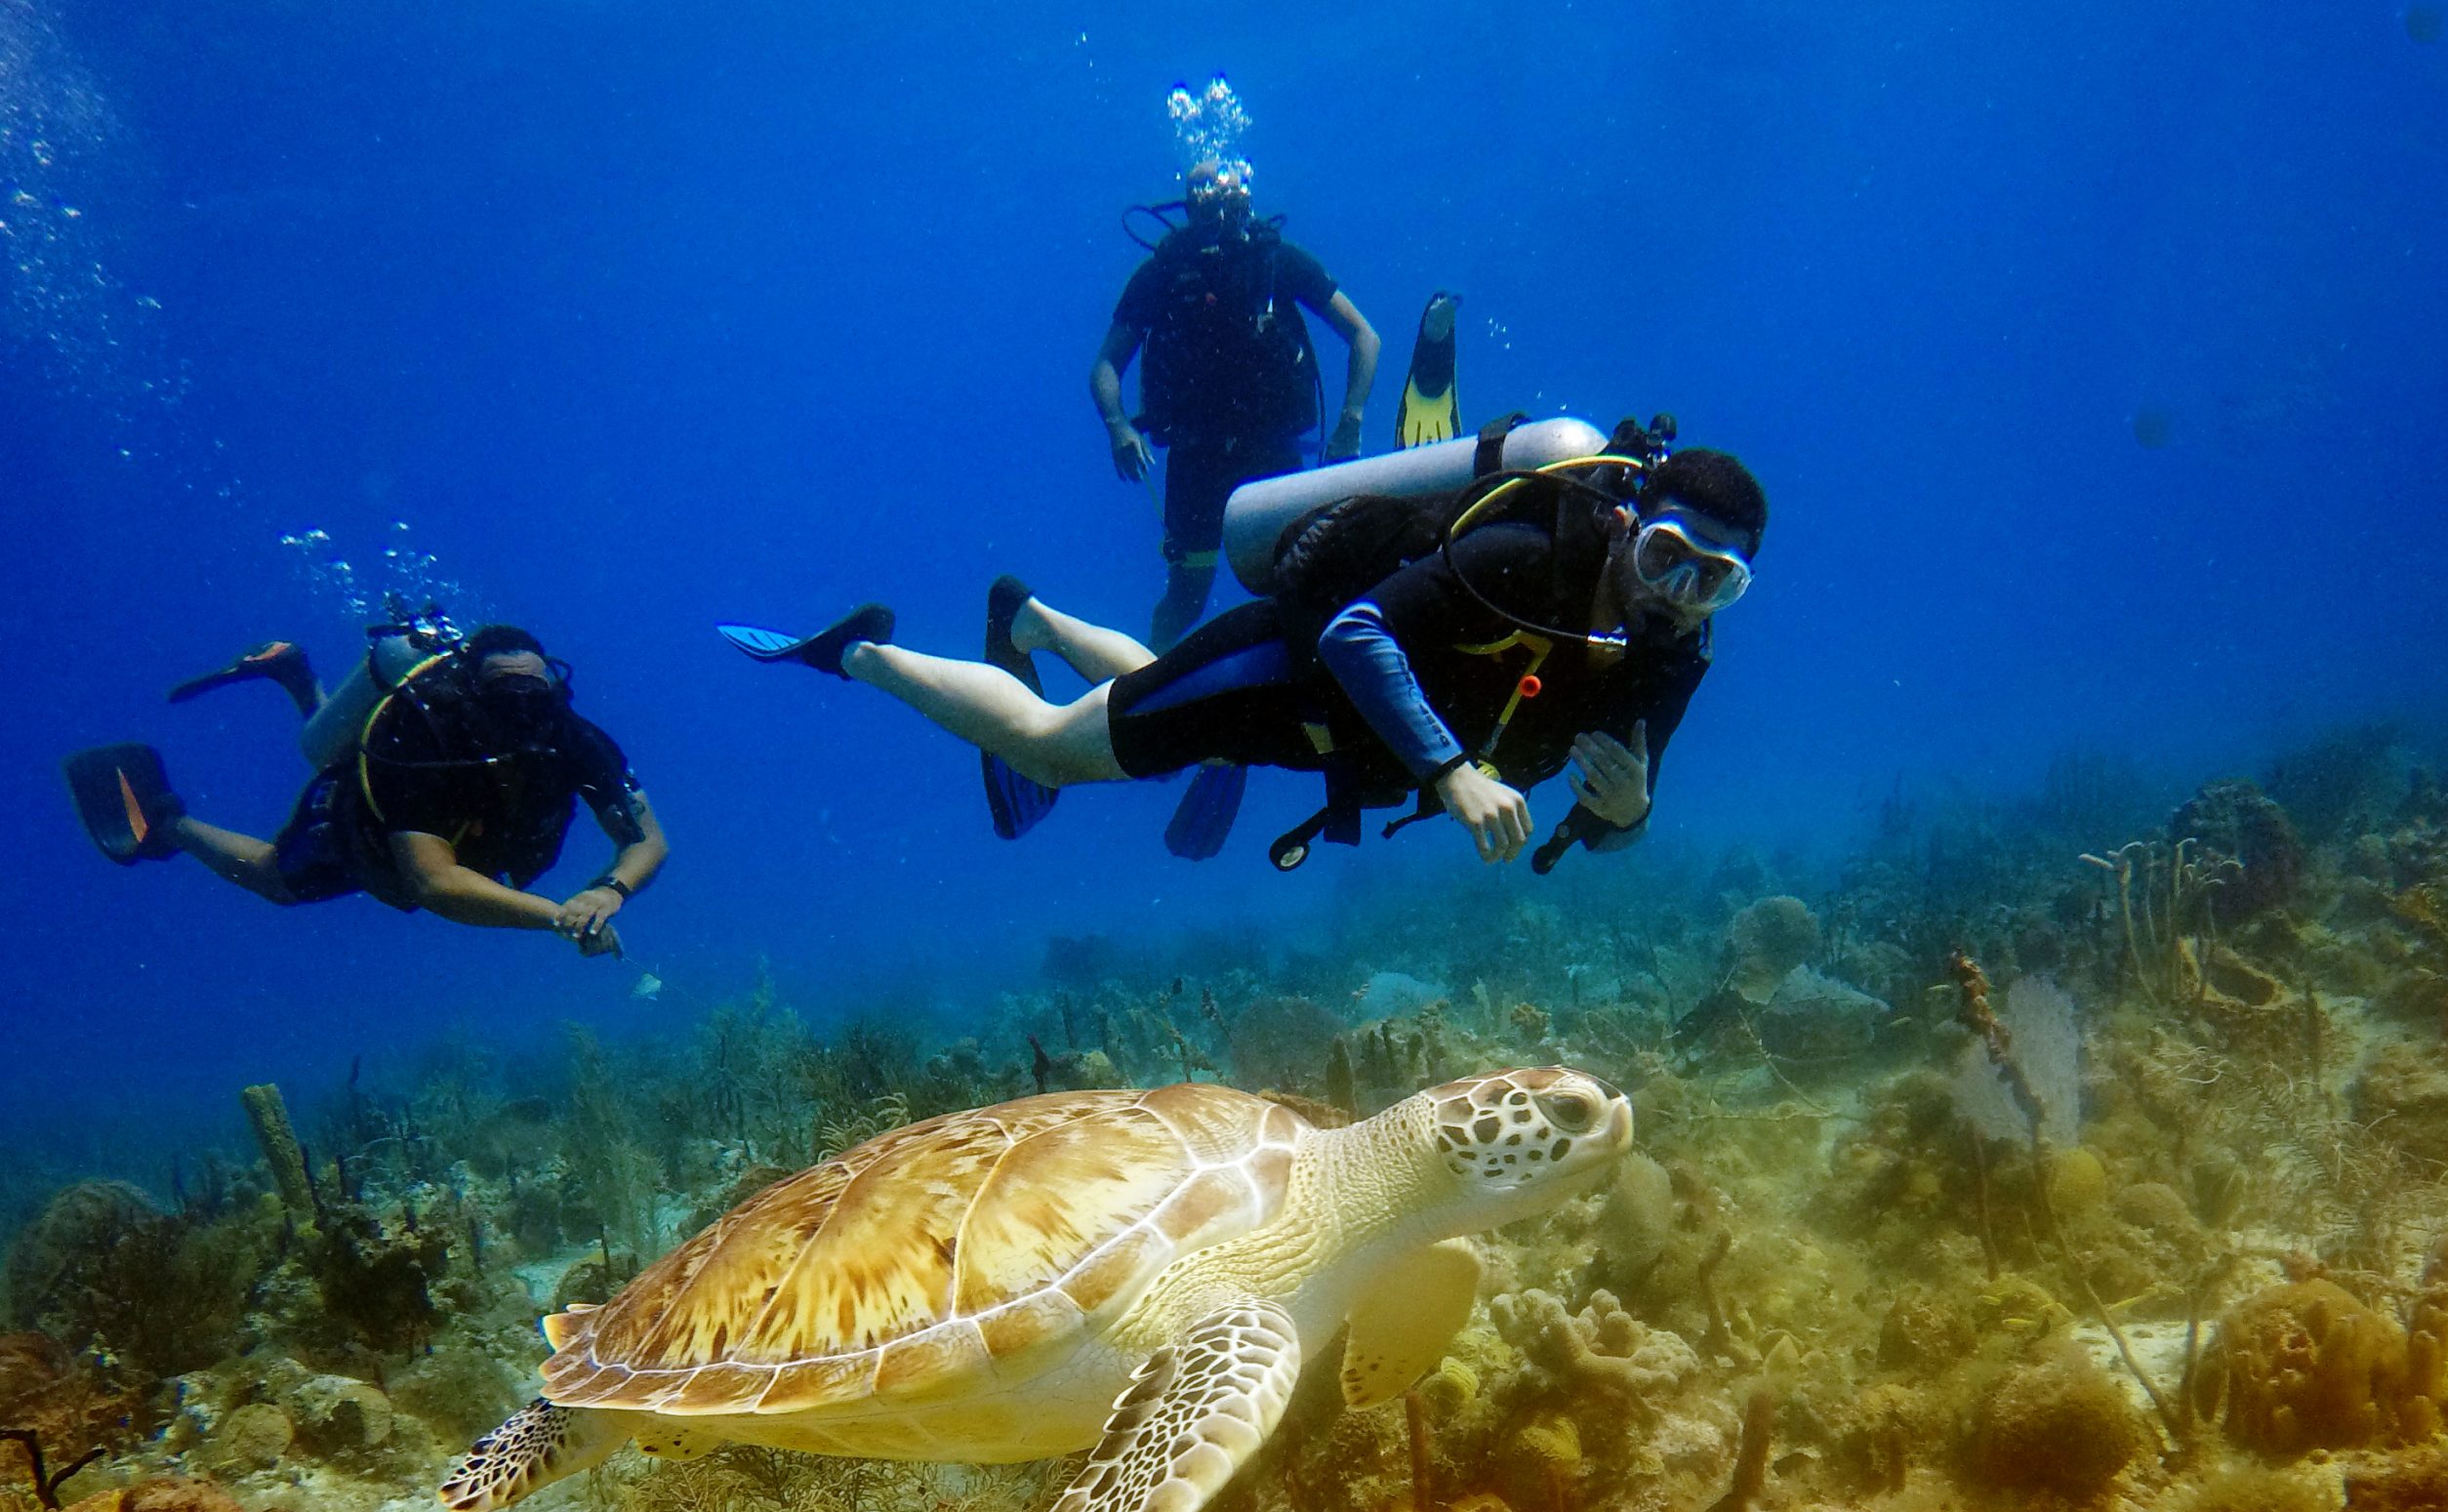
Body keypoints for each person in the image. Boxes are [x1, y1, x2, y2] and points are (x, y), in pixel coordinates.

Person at [720, 430, 1767, 878]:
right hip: (1279, 670)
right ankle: (861, 654)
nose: (1678, 594)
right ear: (1632, 523)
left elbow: (1615, 819)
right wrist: (1450, 773)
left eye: (1711, 579)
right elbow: (1357, 629)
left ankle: (1031, 618)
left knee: (1138, 697)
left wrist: (1629, 818)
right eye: (1669, 555)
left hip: (1337, 739)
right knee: (1046, 748)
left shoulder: (1669, 656)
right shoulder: (1521, 555)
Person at [64, 622, 668, 953]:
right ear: (472, 696)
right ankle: (170, 824)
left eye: (536, 697)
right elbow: (434, 881)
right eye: (506, 698)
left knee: (334, 764)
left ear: (555, 691)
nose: (524, 715)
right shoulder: (422, 733)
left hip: (477, 841)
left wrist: (610, 891)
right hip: (365, 825)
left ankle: (301, 680)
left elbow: (646, 840)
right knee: (280, 878)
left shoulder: (573, 736)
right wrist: (561, 917)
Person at [1092, 160, 1381, 650]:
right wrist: (1118, 427)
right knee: (1186, 598)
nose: (1217, 218)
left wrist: (1351, 419)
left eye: (1226, 204)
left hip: (1271, 455)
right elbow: (1105, 366)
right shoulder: (1163, 274)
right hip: (1196, 460)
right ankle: (1142, 694)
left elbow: (1363, 336)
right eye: (1205, 204)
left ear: (1243, 203)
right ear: (1189, 207)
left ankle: (1299, 692)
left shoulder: (1278, 262)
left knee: (1297, 582)